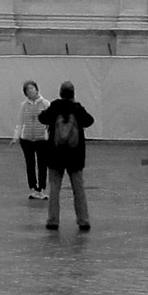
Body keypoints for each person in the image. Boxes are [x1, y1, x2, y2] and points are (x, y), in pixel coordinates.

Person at [38, 81, 94, 232]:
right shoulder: (77, 108)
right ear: (73, 93)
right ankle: (83, 220)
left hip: (55, 154)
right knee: (78, 188)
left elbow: (41, 118)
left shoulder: (55, 106)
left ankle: (53, 220)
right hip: (75, 155)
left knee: (55, 188)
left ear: (60, 92)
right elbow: (89, 121)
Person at [14, 80, 49, 201]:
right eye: (27, 90)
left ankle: (42, 189)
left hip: (41, 139)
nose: (30, 91)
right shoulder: (24, 106)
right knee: (30, 164)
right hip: (27, 139)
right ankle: (33, 188)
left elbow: (50, 122)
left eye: (32, 88)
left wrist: (49, 136)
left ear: (37, 89)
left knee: (42, 164)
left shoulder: (45, 104)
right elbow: (20, 121)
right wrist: (16, 136)